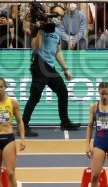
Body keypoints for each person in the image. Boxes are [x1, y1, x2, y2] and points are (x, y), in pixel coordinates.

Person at [22, 4, 80, 137]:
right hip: (39, 63)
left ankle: (65, 122)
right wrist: (40, 30)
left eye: (61, 16)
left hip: (50, 66)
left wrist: (65, 69)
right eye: (57, 14)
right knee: (35, 96)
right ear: (50, 14)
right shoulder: (38, 28)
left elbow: (57, 52)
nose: (59, 18)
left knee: (63, 92)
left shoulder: (57, 32)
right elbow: (36, 47)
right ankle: (23, 126)